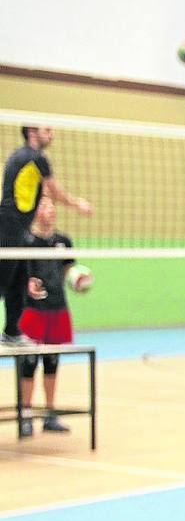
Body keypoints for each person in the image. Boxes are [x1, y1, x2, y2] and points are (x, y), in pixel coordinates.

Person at [1, 127, 91, 345]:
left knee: (20, 281)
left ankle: (12, 332)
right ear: (32, 131)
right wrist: (78, 204)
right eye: (47, 130)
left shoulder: (23, 159)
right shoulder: (34, 157)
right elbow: (55, 191)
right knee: (3, 281)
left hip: (18, 231)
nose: (51, 135)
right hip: (7, 228)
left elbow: (45, 192)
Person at [17, 195, 76, 437]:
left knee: (52, 362)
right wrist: (27, 284)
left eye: (51, 204)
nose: (48, 209)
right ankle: (27, 416)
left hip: (57, 309)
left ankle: (50, 416)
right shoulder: (26, 241)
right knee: (29, 363)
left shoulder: (63, 241)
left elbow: (67, 272)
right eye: (42, 204)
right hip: (32, 310)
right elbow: (17, 274)